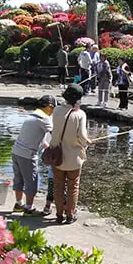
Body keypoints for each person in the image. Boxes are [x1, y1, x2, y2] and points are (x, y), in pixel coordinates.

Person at [50, 84, 92, 224]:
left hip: (57, 156)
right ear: (79, 99)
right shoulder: (80, 114)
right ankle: (70, 215)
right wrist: (87, 142)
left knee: (58, 186)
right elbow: (81, 136)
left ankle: (59, 215)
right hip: (74, 158)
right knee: (73, 187)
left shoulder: (56, 110)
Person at [12, 95, 56, 215]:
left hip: (16, 151)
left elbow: (37, 135)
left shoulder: (32, 115)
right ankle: (29, 207)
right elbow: (55, 135)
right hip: (27, 154)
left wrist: (45, 144)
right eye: (53, 109)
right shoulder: (44, 118)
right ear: (49, 107)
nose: (53, 112)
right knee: (31, 181)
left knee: (18, 179)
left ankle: (18, 204)